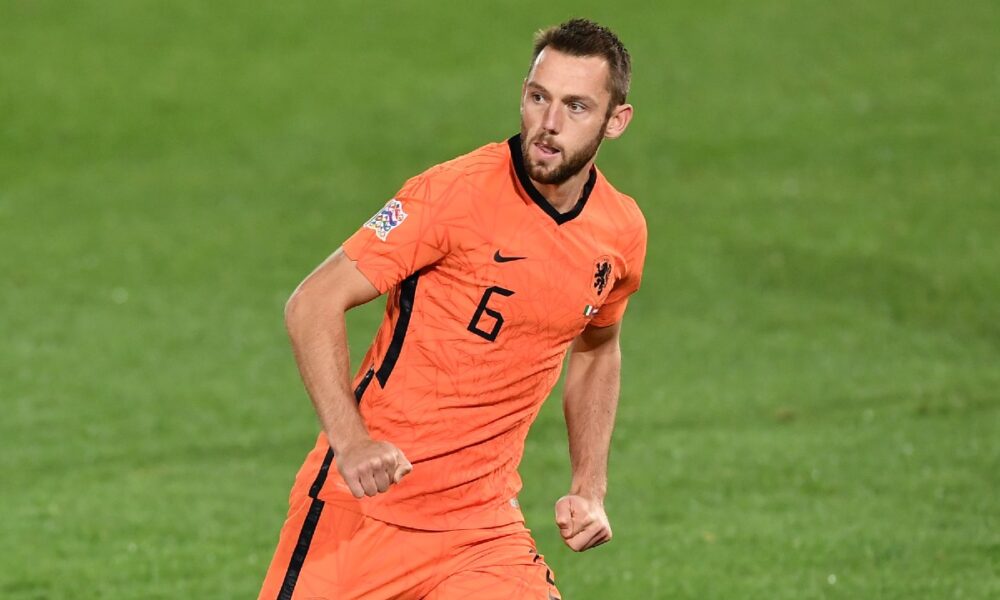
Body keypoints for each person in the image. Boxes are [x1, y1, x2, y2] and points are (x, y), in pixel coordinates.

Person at [258, 18, 646, 600]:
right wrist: (352, 442)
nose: (549, 123)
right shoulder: (451, 194)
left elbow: (597, 349)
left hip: (481, 531)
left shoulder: (620, 232)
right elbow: (313, 301)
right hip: (366, 511)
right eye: (538, 97)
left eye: (576, 106)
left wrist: (589, 486)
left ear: (616, 120)